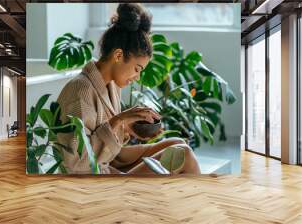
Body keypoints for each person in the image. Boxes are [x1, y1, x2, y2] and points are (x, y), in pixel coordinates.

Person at [57, 3, 201, 175]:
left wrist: (127, 127)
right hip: (91, 173)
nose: (138, 77)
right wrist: (118, 120)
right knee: (185, 155)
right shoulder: (80, 90)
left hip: (107, 161)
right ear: (118, 55)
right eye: (137, 69)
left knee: (177, 144)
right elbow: (75, 163)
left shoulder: (111, 84)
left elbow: (103, 137)